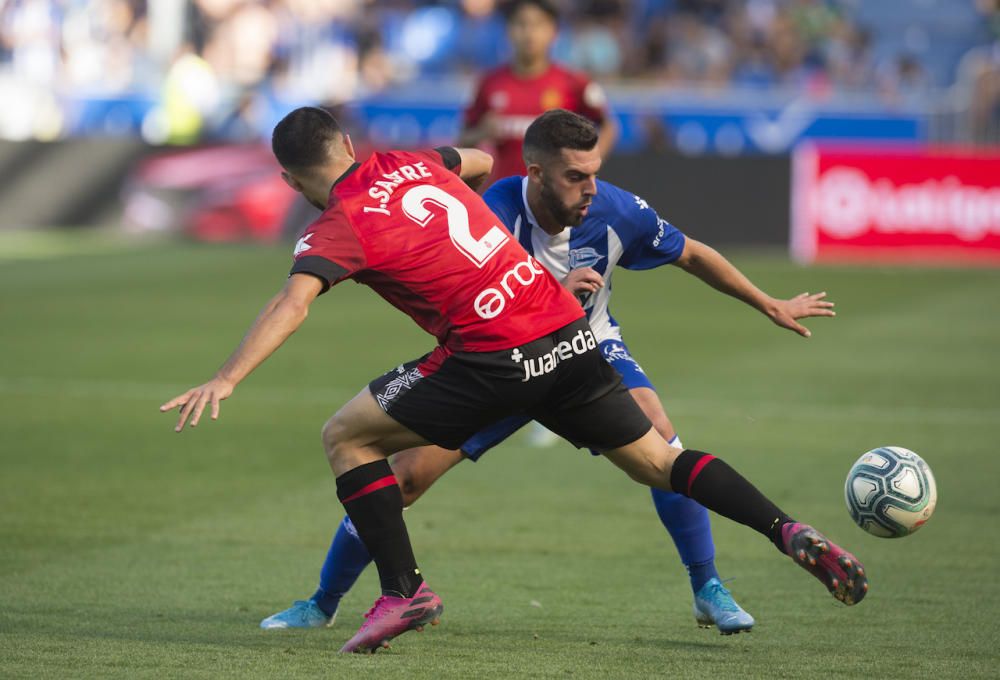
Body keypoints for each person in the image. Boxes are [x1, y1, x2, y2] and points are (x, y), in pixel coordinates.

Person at [161, 106, 867, 655]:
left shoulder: (335, 227)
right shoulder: (409, 163)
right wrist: (450, 181)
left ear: (290, 180)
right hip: (565, 329)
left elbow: (293, 302)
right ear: (349, 144)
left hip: (492, 356)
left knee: (345, 436)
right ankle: (785, 529)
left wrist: (227, 377)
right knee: (662, 460)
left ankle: (403, 592)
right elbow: (473, 157)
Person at [460, 0, 618, 185]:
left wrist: (585, 168)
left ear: (554, 32)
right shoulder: (489, 83)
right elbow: (462, 140)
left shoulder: (573, 82)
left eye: (538, 24)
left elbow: (608, 127)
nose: (529, 33)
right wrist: (481, 133)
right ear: (508, 30)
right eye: (521, 24)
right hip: (504, 201)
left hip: (555, 200)